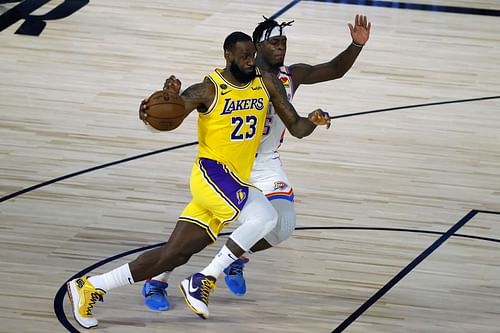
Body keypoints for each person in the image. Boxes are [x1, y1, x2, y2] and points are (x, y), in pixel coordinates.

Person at [66, 31, 330, 329]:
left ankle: (90, 286)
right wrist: (151, 112)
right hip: (212, 174)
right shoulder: (208, 89)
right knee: (266, 216)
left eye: (251, 56)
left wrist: (313, 121)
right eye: (242, 56)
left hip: (234, 181)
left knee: (172, 255)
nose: (248, 61)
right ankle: (204, 279)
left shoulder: (266, 83)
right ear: (228, 56)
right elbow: (170, 117)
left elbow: (295, 127)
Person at [141, 15, 371, 311]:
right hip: (229, 162)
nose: (281, 48)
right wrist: (168, 99)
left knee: (282, 223)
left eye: (284, 42)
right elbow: (189, 105)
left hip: (264, 162)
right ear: (257, 47)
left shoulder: (289, 76)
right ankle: (158, 278)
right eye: (274, 43)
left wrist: (356, 44)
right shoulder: (237, 77)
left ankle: (233, 257)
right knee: (198, 233)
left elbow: (334, 69)